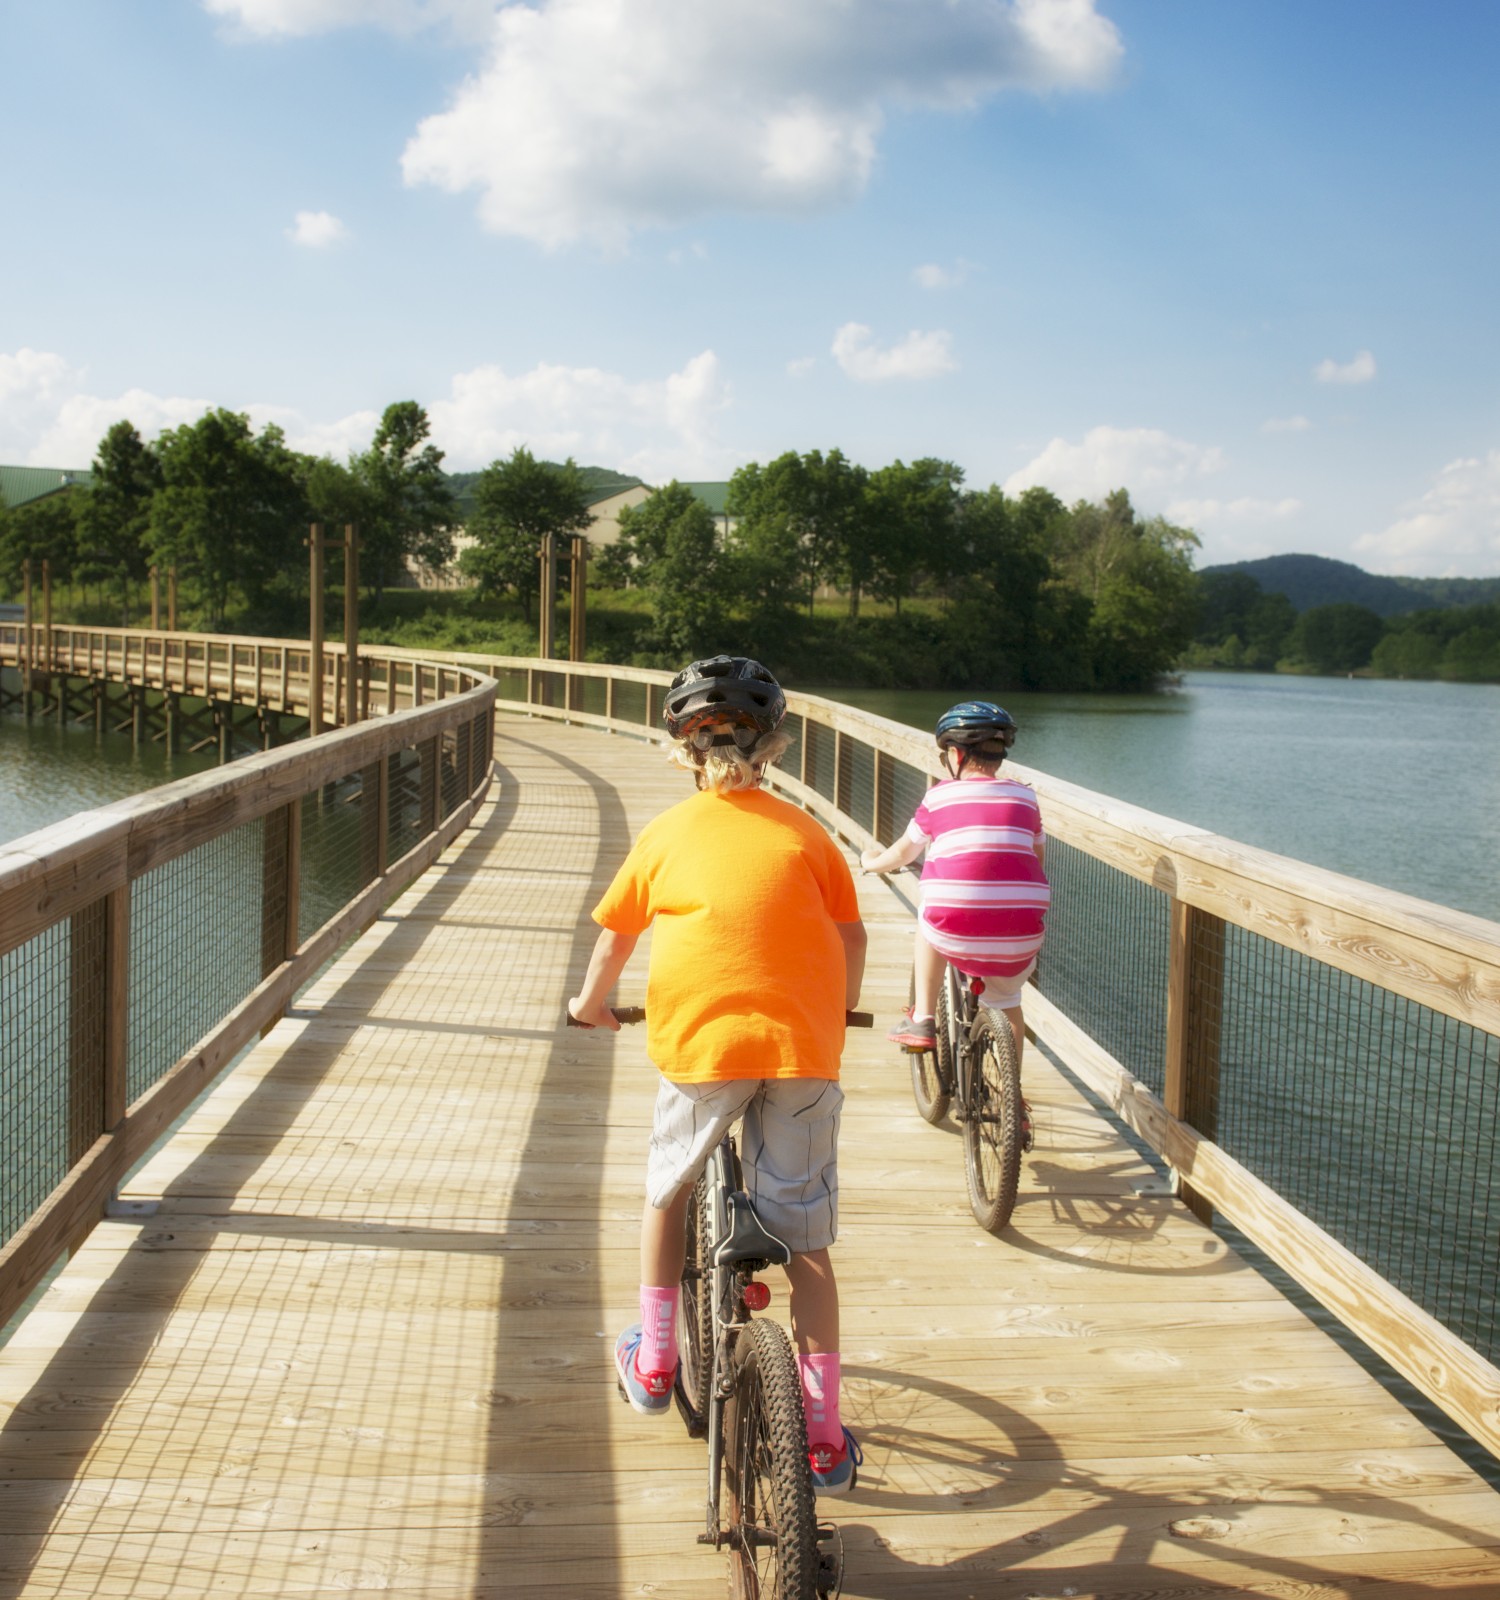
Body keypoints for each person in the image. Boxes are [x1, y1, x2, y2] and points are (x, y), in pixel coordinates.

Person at [568, 654, 869, 1496]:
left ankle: (657, 1362)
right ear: (772, 748)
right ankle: (820, 1438)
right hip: (803, 1052)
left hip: (700, 1051)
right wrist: (838, 1012)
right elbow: (851, 939)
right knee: (805, 1243)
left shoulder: (665, 834)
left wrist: (593, 1007)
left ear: (684, 751)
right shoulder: (809, 835)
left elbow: (614, 941)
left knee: (668, 1193)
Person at [860, 700, 1048, 1062]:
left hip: (955, 926)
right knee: (1009, 1004)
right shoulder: (1026, 797)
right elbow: (1036, 859)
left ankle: (923, 1018)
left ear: (954, 754)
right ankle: (1016, 1101)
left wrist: (871, 863)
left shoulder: (938, 795)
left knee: (930, 918)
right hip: (1021, 934)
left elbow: (902, 853)